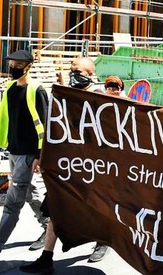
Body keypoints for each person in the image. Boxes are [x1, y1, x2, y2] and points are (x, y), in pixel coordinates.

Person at [20, 56, 110, 274]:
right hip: (66, 169)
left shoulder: (101, 100)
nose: (73, 74)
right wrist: (42, 155)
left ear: (90, 74)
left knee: (98, 211)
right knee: (55, 210)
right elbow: (53, 130)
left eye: (78, 70)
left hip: (92, 171)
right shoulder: (64, 98)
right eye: (71, 69)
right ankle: (46, 258)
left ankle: (103, 242)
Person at [0, 50, 49, 273]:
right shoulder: (10, 88)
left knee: (12, 203)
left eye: (18, 64)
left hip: (29, 154)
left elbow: (46, 126)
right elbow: (2, 120)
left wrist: (40, 155)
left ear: (28, 66)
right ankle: (49, 226)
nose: (13, 67)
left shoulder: (36, 90)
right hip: (13, 151)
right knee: (29, 192)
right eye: (12, 63)